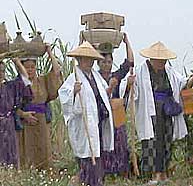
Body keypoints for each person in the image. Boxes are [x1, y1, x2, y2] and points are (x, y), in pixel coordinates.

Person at [120, 41, 193, 185]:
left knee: (166, 141)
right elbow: (130, 90)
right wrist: (129, 84)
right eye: (159, 60)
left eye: (163, 60)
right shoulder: (140, 71)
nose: (161, 63)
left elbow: (181, 83)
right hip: (150, 112)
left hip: (167, 111)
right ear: (152, 59)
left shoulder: (169, 71)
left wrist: (191, 80)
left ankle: (163, 173)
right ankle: (154, 174)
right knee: (152, 143)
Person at [59, 41, 114, 186]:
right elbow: (65, 99)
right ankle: (87, 182)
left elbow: (104, 94)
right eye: (86, 59)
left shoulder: (96, 77)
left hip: (98, 123)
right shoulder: (73, 79)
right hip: (84, 126)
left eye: (91, 59)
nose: (89, 62)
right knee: (87, 158)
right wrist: (74, 93)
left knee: (97, 155)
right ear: (79, 60)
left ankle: (93, 182)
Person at [17, 44, 62, 169]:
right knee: (28, 153)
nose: (30, 70)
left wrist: (49, 52)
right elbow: (12, 107)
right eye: (27, 67)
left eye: (32, 67)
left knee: (44, 150)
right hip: (26, 124)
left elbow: (56, 71)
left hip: (42, 122)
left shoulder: (43, 81)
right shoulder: (18, 84)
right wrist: (23, 114)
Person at [97, 34, 134, 176]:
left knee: (120, 141)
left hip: (117, 114)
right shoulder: (95, 78)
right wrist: (110, 89)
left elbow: (130, 62)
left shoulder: (116, 76)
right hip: (103, 117)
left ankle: (120, 170)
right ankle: (104, 171)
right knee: (104, 141)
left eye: (109, 62)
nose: (107, 65)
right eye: (104, 62)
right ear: (98, 63)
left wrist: (126, 42)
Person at [0, 55, 36, 167]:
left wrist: (17, 62)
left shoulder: (9, 87)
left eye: (2, 71)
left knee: (10, 157)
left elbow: (25, 81)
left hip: (8, 127)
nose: (1, 73)